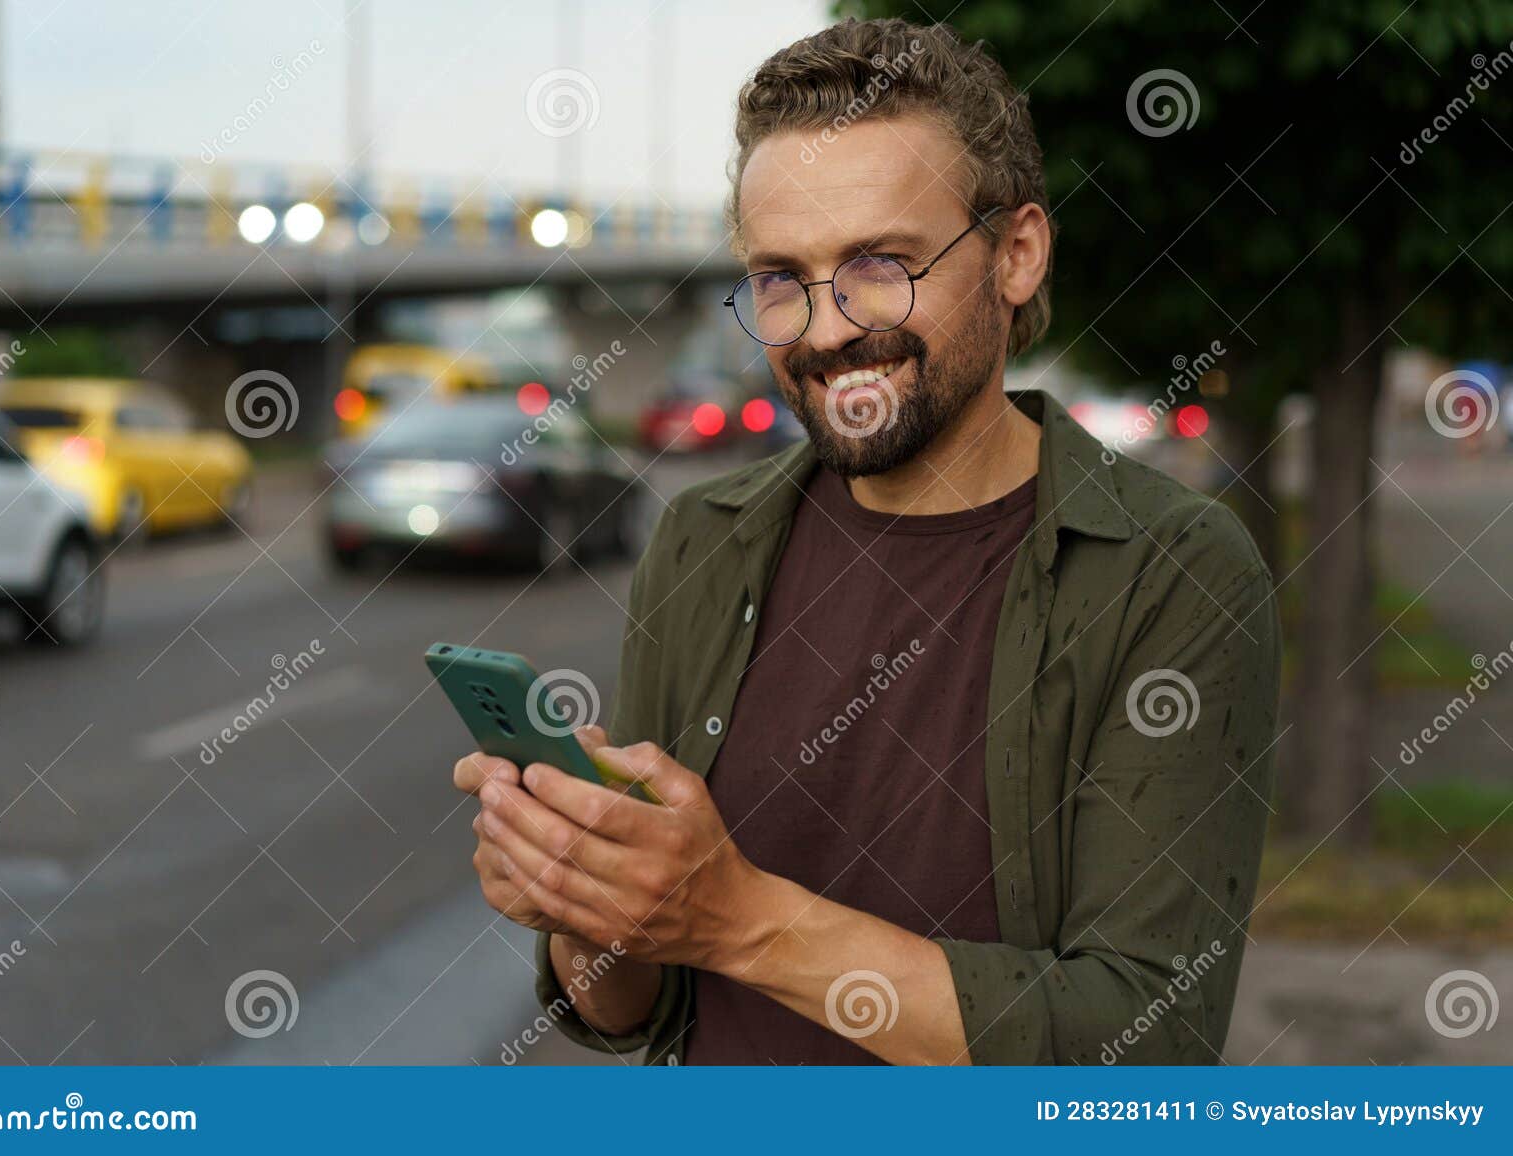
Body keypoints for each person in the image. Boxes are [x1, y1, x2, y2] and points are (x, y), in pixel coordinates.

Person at [454, 17, 1280, 1065]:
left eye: (880, 264)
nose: (829, 326)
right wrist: (585, 895)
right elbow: (629, 1010)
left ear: (1016, 254)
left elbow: (1142, 1045)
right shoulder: (701, 539)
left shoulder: (1173, 573)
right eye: (779, 280)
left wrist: (735, 917)